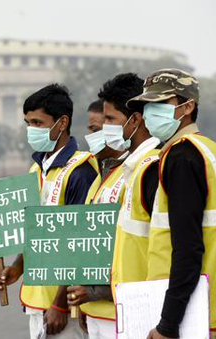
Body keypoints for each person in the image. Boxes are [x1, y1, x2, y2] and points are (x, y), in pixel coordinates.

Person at [0, 84, 100, 338]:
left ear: (62, 123)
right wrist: (15, 270)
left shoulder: (80, 172)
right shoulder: (37, 170)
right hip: (38, 302)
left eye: (38, 123)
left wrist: (60, 303)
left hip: (65, 308)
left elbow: (82, 244)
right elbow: (37, 237)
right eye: (28, 123)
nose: (31, 130)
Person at [67, 73, 160, 339]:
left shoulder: (151, 168)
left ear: (135, 120)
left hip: (133, 311)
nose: (104, 128)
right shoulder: (112, 173)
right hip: (105, 311)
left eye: (110, 120)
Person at [126, 69, 215, 339]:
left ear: (187, 106)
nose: (150, 113)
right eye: (147, 106)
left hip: (191, 313)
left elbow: (188, 248)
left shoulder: (181, 157)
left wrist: (168, 323)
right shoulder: (207, 149)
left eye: (160, 104)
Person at [84, 99, 127, 180]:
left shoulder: (129, 169)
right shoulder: (89, 169)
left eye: (95, 130)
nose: (90, 135)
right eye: (90, 129)